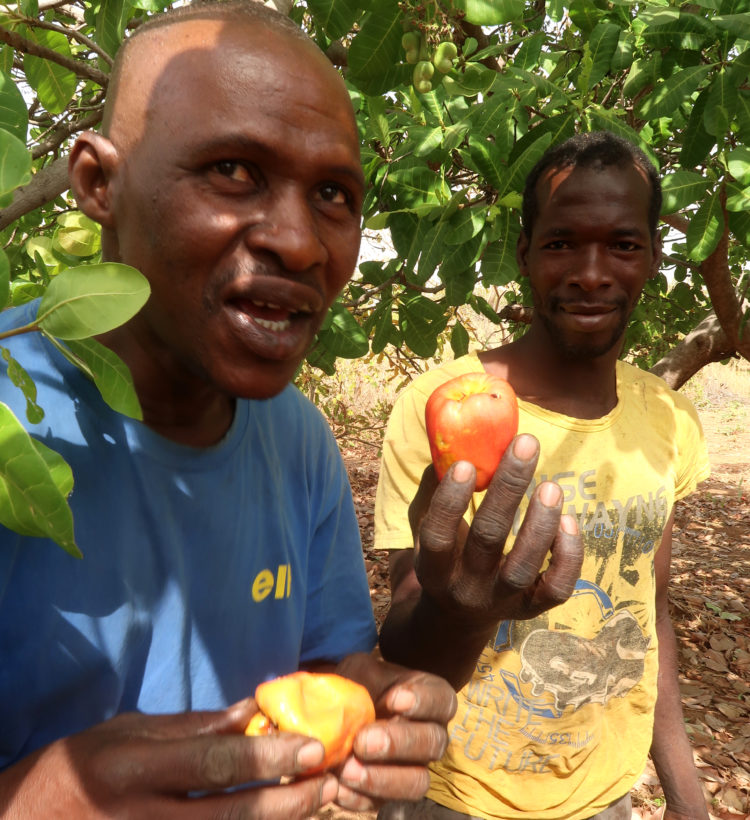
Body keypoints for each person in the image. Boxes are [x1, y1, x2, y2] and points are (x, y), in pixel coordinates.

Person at [0, 4, 464, 816]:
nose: (301, 242)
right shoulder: (13, 415)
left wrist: (387, 695)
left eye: (332, 193)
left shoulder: (299, 441)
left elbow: (324, 673)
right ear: (98, 183)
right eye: (234, 171)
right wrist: (37, 799)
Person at [374, 132, 711, 819]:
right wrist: (455, 611)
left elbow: (652, 611)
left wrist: (684, 790)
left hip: (604, 795)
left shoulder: (670, 420)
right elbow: (402, 635)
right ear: (524, 253)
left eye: (622, 243)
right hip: (449, 793)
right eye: (561, 244)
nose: (592, 272)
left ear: (651, 256)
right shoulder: (435, 406)